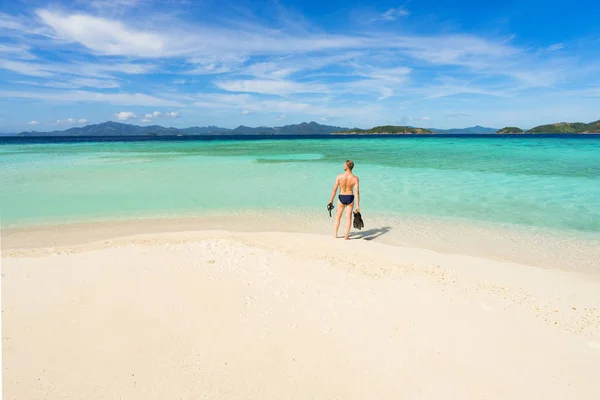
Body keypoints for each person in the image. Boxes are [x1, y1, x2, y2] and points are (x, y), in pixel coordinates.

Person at [328, 160, 360, 240]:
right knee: (348, 218)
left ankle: (335, 235)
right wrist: (358, 205)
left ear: (347, 166)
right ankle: (346, 236)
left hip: (341, 197)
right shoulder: (355, 178)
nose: (343, 166)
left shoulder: (339, 177)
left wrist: (331, 200)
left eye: (344, 165)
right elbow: (357, 192)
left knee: (338, 217)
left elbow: (334, 189)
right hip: (350, 197)